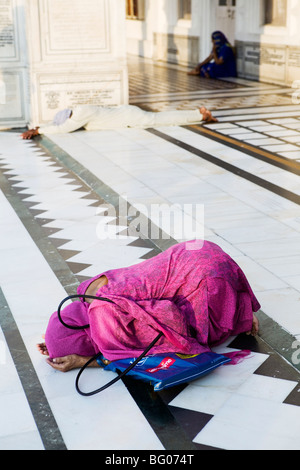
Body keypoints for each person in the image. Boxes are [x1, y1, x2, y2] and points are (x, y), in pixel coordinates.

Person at [37, 240, 260, 373]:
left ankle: (239, 312)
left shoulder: (105, 316)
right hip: (198, 250)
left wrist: (83, 360)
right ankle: (232, 300)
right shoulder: (87, 291)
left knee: (186, 334)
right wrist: (56, 338)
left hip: (208, 278)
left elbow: (172, 317)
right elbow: (76, 326)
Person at [21, 104, 218, 140]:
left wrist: (39, 131)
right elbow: (65, 125)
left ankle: (200, 115)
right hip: (127, 113)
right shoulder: (81, 110)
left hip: (130, 118)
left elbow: (64, 129)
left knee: (161, 120)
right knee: (160, 118)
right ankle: (198, 114)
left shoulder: (81, 114)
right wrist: (40, 127)